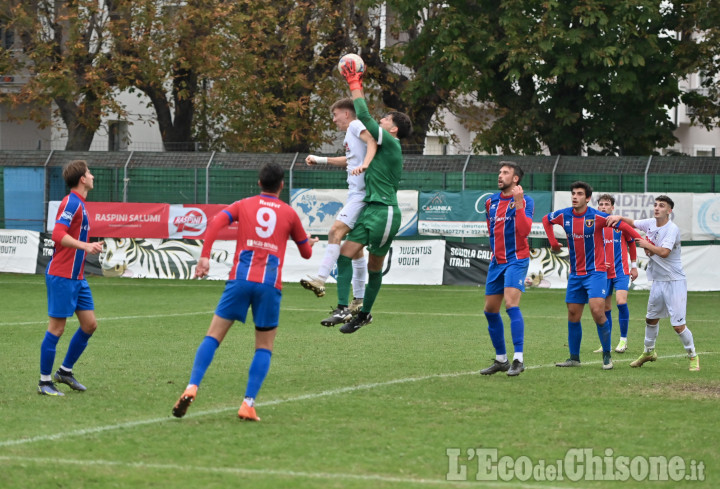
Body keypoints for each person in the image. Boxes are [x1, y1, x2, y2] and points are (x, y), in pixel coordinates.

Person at [172, 162, 318, 421]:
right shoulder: (289, 213)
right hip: (268, 285)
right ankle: (247, 403)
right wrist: (310, 243)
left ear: (259, 183)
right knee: (264, 346)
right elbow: (306, 253)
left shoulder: (244, 204)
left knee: (213, 337)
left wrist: (205, 257)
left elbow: (217, 221)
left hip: (240, 280)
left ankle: (191, 386)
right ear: (281, 185)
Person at [332, 56, 412, 334]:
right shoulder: (382, 144)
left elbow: (363, 116)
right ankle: (352, 309)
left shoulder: (390, 141)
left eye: (385, 119)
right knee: (352, 257)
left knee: (362, 260)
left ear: (393, 129)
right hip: (374, 211)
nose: (380, 120)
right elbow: (353, 157)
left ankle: (357, 310)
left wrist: (354, 82)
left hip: (384, 211)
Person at [542, 182, 642, 370]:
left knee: (598, 311)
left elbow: (625, 228)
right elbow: (546, 219)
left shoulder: (598, 217)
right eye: (573, 193)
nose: (575, 197)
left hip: (596, 272)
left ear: (587, 198)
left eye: (579, 194)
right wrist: (553, 243)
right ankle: (574, 358)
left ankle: (606, 354)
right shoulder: (564, 215)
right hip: (576, 274)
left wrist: (642, 240)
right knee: (573, 313)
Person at [300, 98, 377, 327]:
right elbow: (350, 160)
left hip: (360, 194)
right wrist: (320, 159)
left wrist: (366, 165)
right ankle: (359, 300)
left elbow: (371, 142)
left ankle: (321, 278)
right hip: (359, 193)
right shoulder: (351, 133)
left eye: (335, 115)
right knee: (355, 250)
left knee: (335, 232)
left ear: (346, 113)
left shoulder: (355, 125)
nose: (333, 120)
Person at [606, 196, 699, 371]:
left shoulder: (672, 229)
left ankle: (693, 355)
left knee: (678, 325)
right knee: (650, 319)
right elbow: (632, 222)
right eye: (655, 205)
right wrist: (619, 217)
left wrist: (646, 244)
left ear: (669, 211)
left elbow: (664, 252)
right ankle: (648, 352)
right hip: (658, 280)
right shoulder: (650, 223)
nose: (657, 208)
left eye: (661, 206)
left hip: (674, 281)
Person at [38, 160, 104, 396]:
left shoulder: (81, 204)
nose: (93, 175)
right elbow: (57, 234)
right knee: (56, 329)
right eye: (89, 172)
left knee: (90, 324)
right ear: (82, 179)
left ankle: (64, 372)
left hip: (77, 278)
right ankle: (44, 382)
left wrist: (86, 246)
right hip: (62, 276)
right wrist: (85, 246)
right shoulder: (71, 202)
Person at [480, 162, 534, 377]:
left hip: (517, 260)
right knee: (490, 310)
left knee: (511, 305)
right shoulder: (490, 201)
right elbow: (491, 230)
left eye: (505, 173)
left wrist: (519, 204)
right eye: (500, 172)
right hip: (497, 262)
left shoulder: (525, 201)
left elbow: (524, 231)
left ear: (516, 179)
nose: (500, 175)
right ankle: (501, 359)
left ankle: (518, 359)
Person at [592, 194, 639, 354]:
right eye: (601, 204)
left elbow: (632, 244)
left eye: (606, 204)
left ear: (612, 208)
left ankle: (623, 340)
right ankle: (606, 343)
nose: (603, 207)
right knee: (605, 308)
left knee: (621, 302)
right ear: (598, 207)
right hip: (603, 273)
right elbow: (590, 248)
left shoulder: (620, 225)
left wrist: (634, 267)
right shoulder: (596, 226)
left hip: (621, 272)